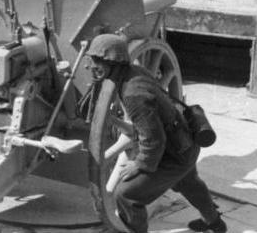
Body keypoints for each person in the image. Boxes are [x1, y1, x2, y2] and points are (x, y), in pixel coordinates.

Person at [86, 34, 226, 233]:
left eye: (97, 62)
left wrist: (140, 163)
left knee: (126, 195)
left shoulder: (133, 94)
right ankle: (215, 223)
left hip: (173, 154)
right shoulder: (134, 72)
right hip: (185, 143)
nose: (91, 66)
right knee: (189, 183)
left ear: (113, 63)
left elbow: (154, 140)